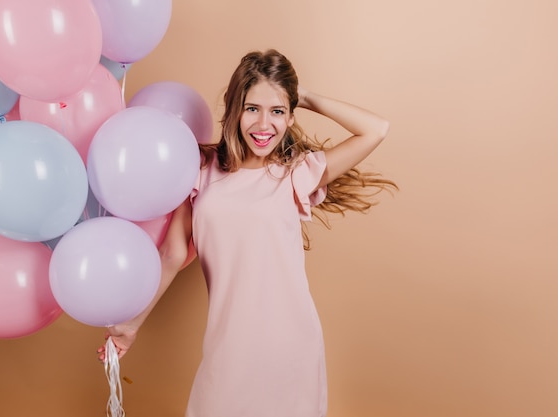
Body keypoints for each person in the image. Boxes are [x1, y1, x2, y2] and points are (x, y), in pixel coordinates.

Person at [97, 49, 397, 417]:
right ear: (235, 107)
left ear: (290, 115)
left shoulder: (297, 173)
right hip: (228, 346)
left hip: (291, 345)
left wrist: (302, 96)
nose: (263, 125)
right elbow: (173, 255)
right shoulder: (200, 168)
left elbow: (376, 129)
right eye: (252, 108)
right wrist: (131, 325)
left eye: (277, 112)